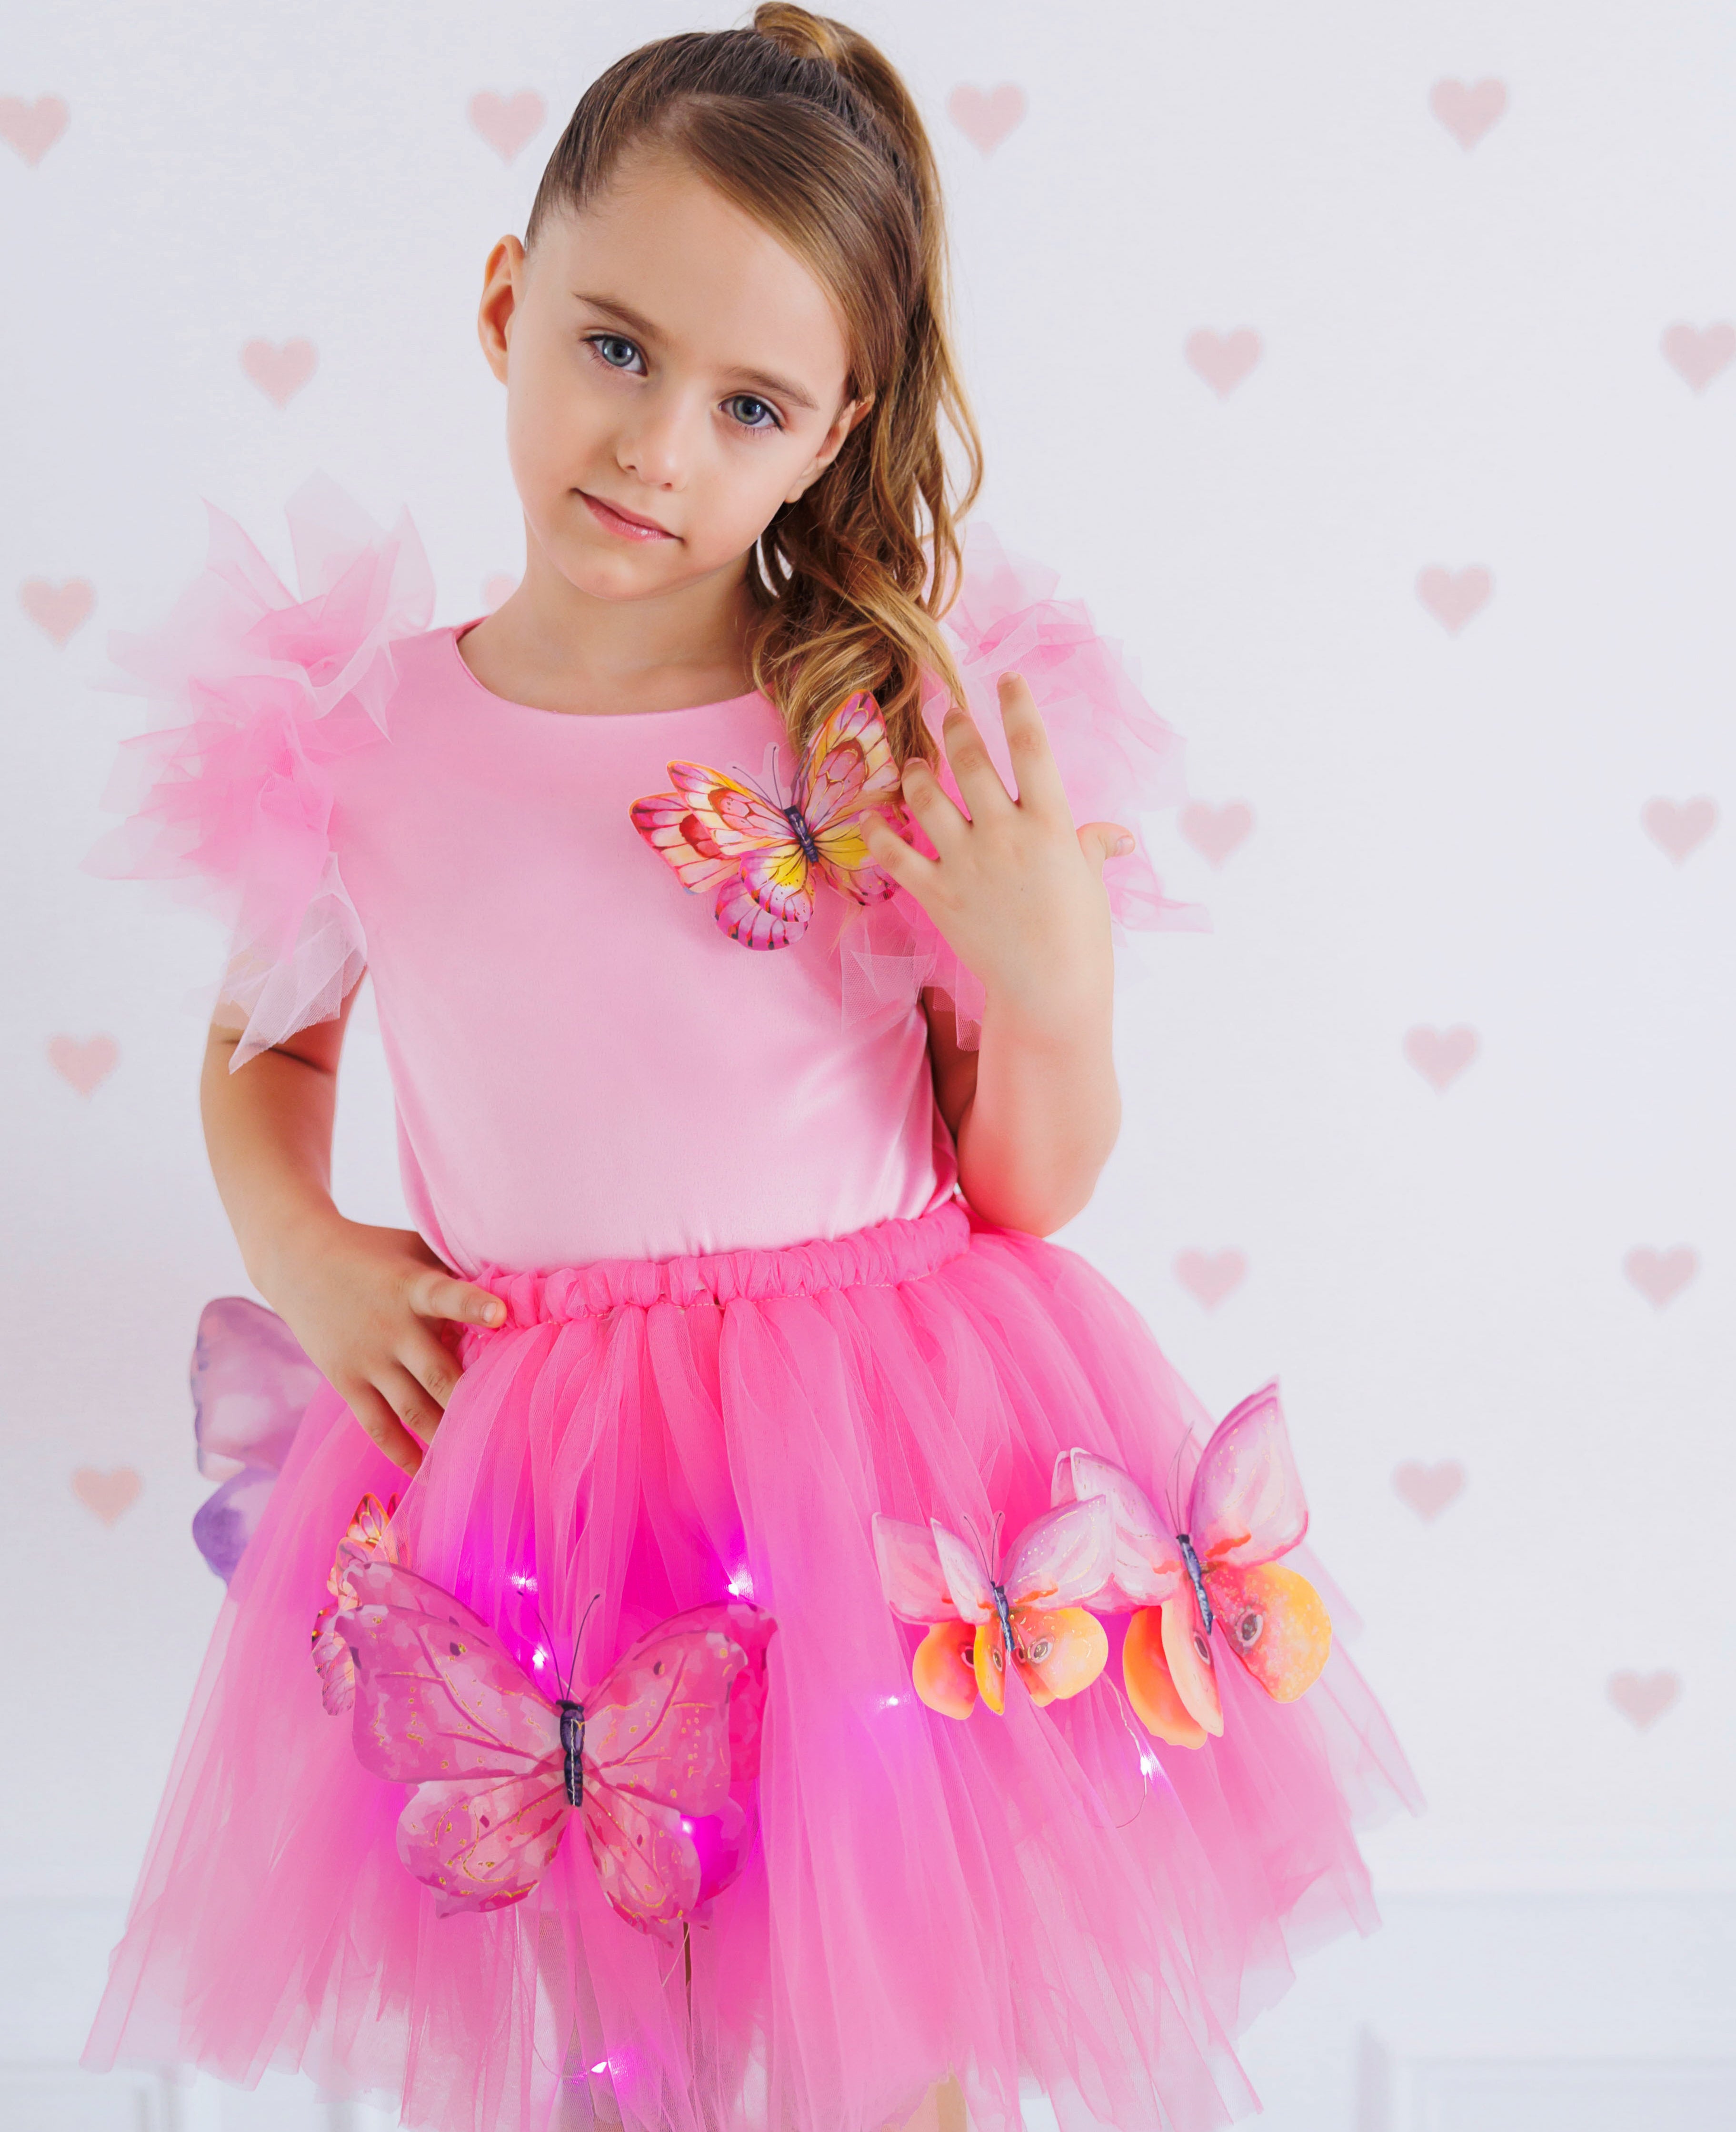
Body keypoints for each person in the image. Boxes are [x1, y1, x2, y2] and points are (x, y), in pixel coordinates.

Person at [79, 11, 1417, 2132]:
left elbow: (1029, 1183)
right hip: (545, 1477)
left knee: (890, 2033)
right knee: (618, 2032)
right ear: (508, 303)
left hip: (872, 1464)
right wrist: (301, 1244)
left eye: (749, 405)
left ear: (831, 431)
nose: (658, 445)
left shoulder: (874, 736)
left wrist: (1052, 991)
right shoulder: (364, 743)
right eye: (615, 348)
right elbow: (268, 1048)